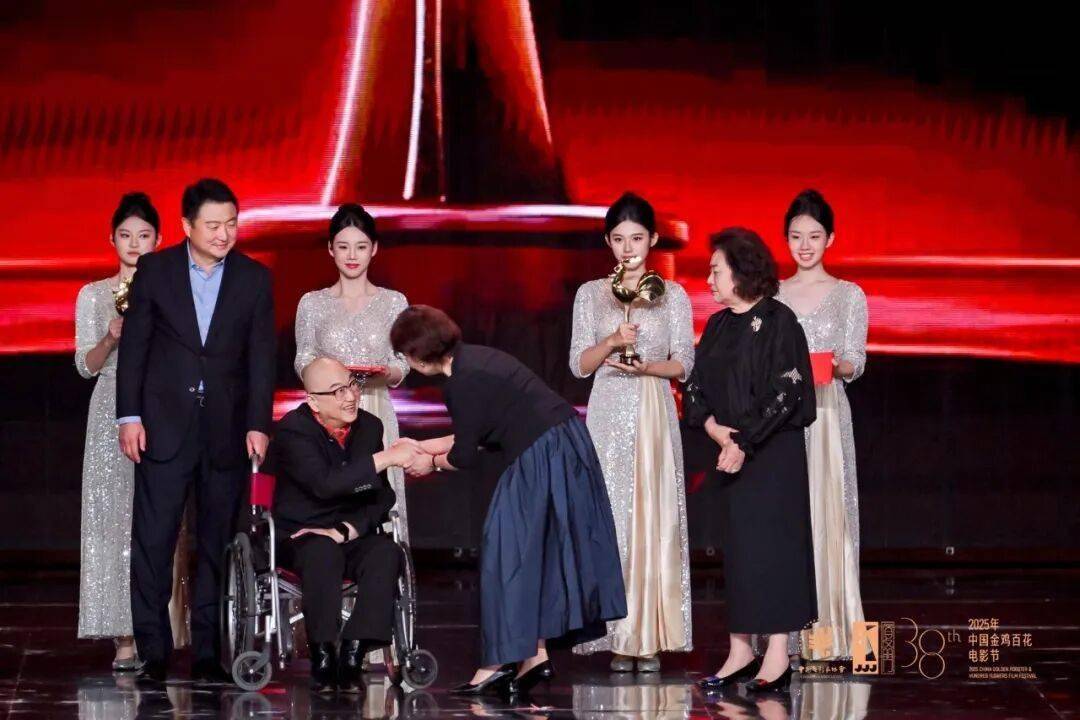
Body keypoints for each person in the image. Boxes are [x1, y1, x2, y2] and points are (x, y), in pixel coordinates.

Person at [389, 306, 626, 697]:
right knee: (533, 553)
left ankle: (497, 664)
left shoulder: (462, 381)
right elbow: (479, 433)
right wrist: (421, 446)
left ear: (417, 356)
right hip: (558, 446)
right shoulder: (476, 359)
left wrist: (428, 463)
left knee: (507, 552)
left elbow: (465, 455)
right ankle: (534, 656)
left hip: (543, 453)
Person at [117, 178, 276, 684]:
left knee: (215, 544)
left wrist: (258, 423)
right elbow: (135, 348)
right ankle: (153, 649)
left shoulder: (254, 278)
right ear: (187, 226)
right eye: (212, 225)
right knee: (154, 541)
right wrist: (129, 416)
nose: (223, 233)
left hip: (226, 430)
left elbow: (262, 359)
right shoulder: (156, 271)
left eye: (231, 223)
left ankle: (208, 651)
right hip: (162, 427)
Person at [686, 227, 817, 693]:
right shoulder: (718, 325)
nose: (709, 280)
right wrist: (716, 431)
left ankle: (778, 653)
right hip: (729, 450)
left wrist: (744, 441)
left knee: (774, 548)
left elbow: (788, 390)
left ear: (741, 272)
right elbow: (695, 387)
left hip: (771, 452)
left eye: (715, 271)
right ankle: (740, 649)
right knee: (739, 551)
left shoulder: (780, 321)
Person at [569, 192, 694, 672]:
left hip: (652, 408)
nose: (628, 248)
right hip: (607, 411)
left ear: (653, 239)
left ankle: (651, 635)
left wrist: (648, 367)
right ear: (608, 241)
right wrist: (610, 341)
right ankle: (617, 634)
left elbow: (685, 363)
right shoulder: (591, 294)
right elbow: (579, 366)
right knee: (612, 515)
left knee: (653, 514)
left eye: (637, 238)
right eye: (619, 239)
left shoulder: (672, 295)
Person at [273, 357, 418, 693]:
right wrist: (385, 458)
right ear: (313, 401)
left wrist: (348, 529)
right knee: (322, 552)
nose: (351, 396)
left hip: (351, 530)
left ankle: (355, 647)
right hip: (303, 533)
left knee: (386, 552)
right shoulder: (293, 430)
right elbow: (324, 484)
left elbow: (382, 496)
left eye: (352, 385)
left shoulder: (369, 426)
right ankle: (323, 653)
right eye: (337, 391)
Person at [776, 189, 868, 660]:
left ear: (830, 238)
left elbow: (855, 361)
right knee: (786, 521)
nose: (805, 245)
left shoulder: (848, 295)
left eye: (814, 236)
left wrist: (830, 365)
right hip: (780, 418)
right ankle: (784, 641)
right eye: (796, 236)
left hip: (827, 414)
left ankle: (833, 637)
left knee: (830, 518)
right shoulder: (772, 294)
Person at [75, 192, 161, 670]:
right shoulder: (93, 295)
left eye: (143, 235)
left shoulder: (169, 291)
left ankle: (158, 627)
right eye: (125, 235)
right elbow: (85, 366)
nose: (134, 243)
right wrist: (110, 336)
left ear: (158, 240)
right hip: (109, 406)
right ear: (111, 239)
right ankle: (122, 635)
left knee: (157, 519)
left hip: (159, 407)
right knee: (112, 520)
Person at [294, 203, 411, 546]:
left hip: (374, 404)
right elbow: (302, 359)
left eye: (360, 246)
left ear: (374, 249)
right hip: (326, 413)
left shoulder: (394, 302)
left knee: (378, 495)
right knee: (330, 491)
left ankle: (383, 566)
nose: (352, 256)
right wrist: (329, 381)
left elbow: (404, 361)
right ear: (331, 249)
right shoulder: (312, 303)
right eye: (343, 246)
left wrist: (387, 372)